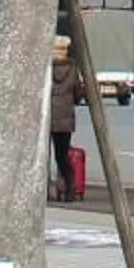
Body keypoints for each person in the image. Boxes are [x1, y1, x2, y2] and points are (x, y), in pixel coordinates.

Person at [47, 35, 89, 202]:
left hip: (45, 118)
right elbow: (78, 95)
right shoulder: (73, 69)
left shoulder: (44, 69)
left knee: (41, 155)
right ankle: (70, 189)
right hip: (65, 118)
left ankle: (42, 190)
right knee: (62, 155)